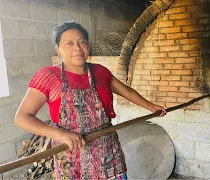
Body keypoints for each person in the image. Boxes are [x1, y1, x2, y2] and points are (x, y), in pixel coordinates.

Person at [14, 21, 166, 180]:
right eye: (69, 43)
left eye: (82, 42)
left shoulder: (100, 72)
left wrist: (151, 107)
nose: (77, 48)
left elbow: (127, 92)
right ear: (58, 50)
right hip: (71, 157)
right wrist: (61, 134)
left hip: (107, 152)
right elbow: (22, 117)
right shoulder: (49, 76)